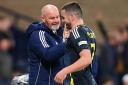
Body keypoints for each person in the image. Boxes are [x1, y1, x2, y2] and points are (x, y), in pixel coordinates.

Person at [54, 2, 97, 85]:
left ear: (71, 17)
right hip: (87, 80)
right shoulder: (88, 31)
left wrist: (64, 71)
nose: (62, 21)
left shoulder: (77, 31)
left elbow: (86, 59)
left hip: (79, 81)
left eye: (63, 18)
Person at [26, 4, 67, 85]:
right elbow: (48, 54)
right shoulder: (38, 34)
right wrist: (68, 43)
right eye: (52, 18)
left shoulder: (60, 33)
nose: (56, 20)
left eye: (57, 17)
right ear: (43, 18)